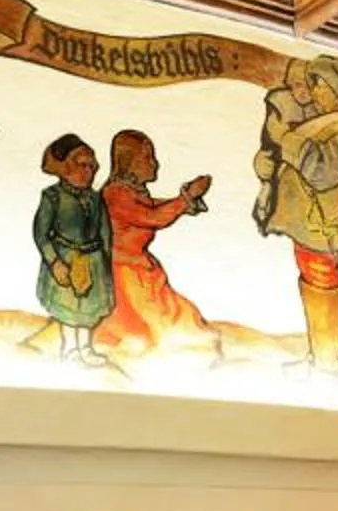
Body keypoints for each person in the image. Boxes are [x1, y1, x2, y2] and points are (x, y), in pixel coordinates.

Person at [252, 52, 338, 375]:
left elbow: (319, 170)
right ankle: (320, 354)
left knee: (322, 292)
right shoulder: (323, 126)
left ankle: (327, 363)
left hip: (323, 233)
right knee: (312, 289)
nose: (313, 92)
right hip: (309, 232)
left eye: (319, 85)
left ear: (337, 89)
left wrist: (284, 139)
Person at [91, 129, 214, 359]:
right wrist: (185, 198)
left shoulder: (132, 191)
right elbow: (152, 217)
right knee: (146, 331)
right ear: (129, 163)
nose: (155, 164)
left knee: (185, 320)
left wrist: (184, 202)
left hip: (142, 271)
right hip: (123, 274)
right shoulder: (116, 194)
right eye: (147, 158)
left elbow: (152, 207)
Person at [28, 133, 108, 365]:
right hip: (65, 260)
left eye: (92, 167)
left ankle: (85, 347)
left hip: (93, 261)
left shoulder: (94, 199)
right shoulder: (52, 197)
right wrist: (54, 262)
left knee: (88, 310)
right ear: (65, 167)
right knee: (68, 310)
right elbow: (41, 234)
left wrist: (104, 261)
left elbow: (104, 231)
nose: (88, 172)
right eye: (82, 165)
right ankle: (71, 349)